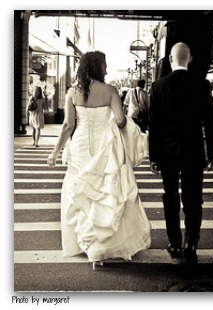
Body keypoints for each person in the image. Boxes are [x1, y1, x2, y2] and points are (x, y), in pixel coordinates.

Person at [47, 51, 151, 270]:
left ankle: (88, 247)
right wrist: (118, 124)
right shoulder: (111, 91)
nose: (107, 68)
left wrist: (55, 152)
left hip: (80, 147)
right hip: (104, 149)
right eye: (104, 64)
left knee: (83, 194)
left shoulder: (73, 93)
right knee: (104, 195)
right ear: (97, 67)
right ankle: (100, 248)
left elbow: (68, 125)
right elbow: (121, 121)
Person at [148, 42, 213, 266]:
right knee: (193, 198)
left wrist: (154, 156)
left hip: (168, 151)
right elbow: (209, 123)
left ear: (170, 59)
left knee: (170, 196)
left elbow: (154, 126)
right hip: (193, 151)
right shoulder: (202, 85)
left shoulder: (158, 86)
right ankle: (191, 243)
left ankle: (175, 243)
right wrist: (212, 154)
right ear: (190, 59)